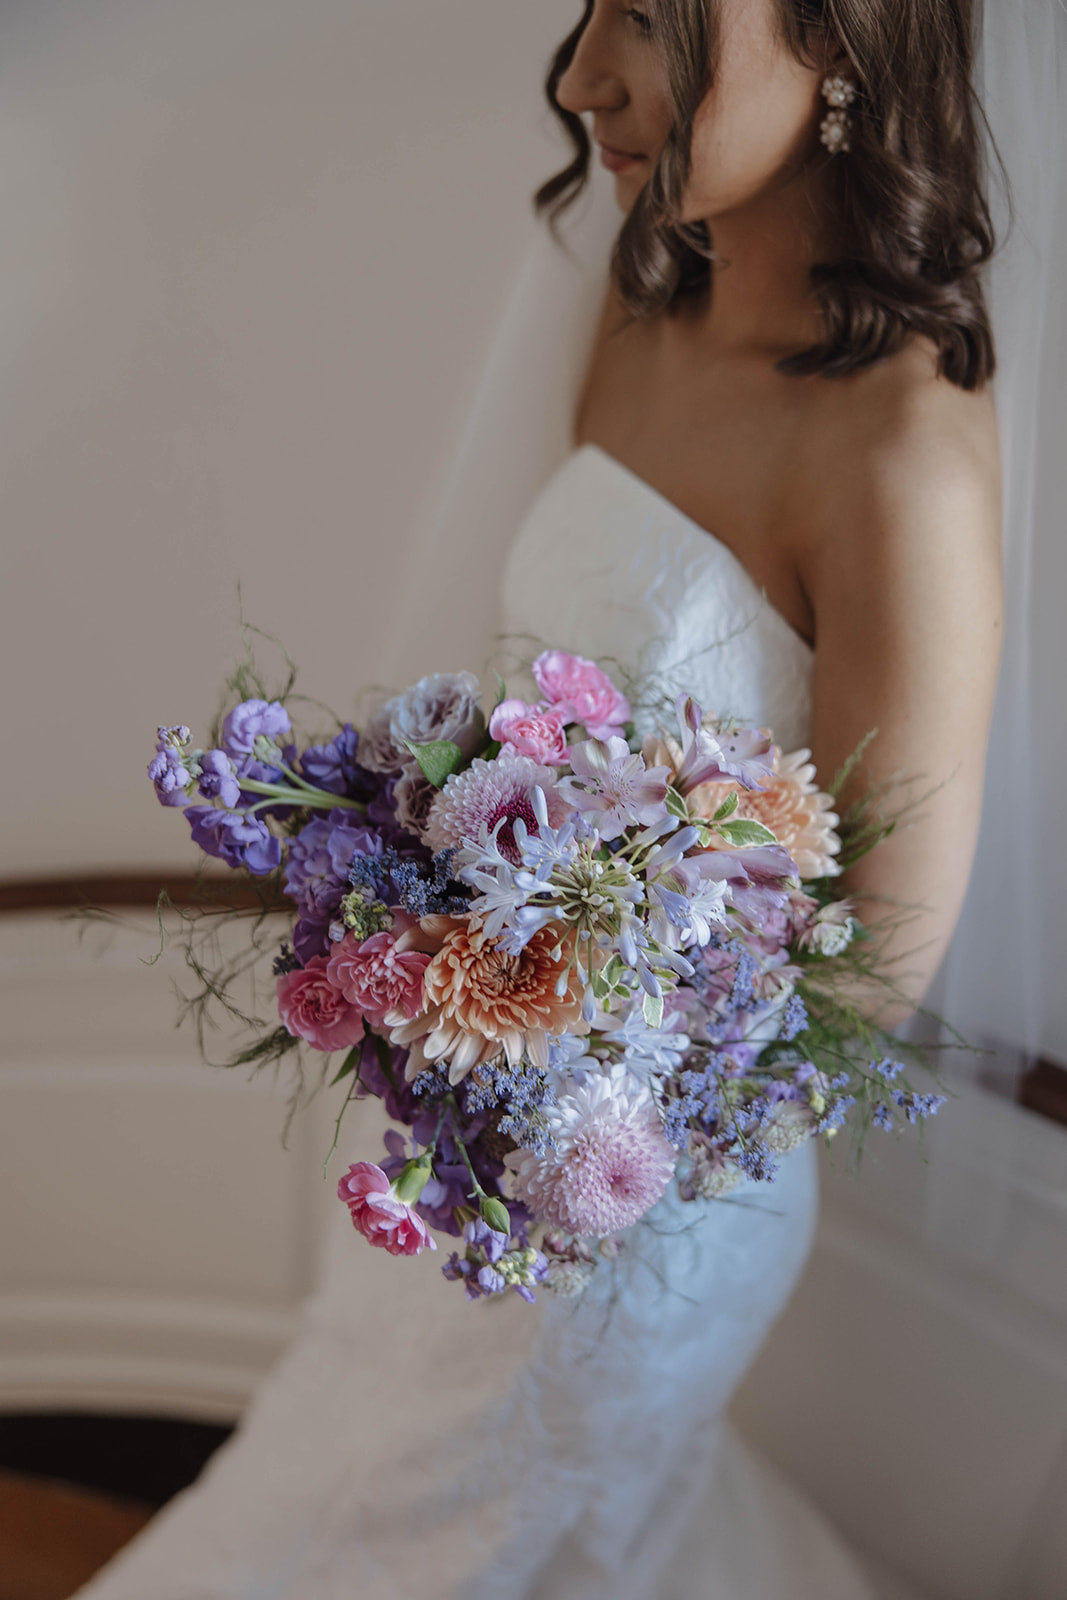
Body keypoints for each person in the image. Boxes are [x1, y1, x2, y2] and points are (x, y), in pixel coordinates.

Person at [78, 2, 1009, 1596]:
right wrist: (446, 968)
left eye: (647, 20)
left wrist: (582, 1073)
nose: (580, 78)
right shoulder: (642, 312)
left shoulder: (899, 453)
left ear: (843, 38)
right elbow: (548, 696)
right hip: (467, 1131)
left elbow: (872, 969)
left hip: (636, 1203)